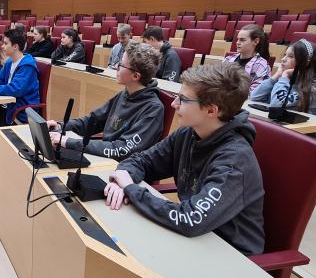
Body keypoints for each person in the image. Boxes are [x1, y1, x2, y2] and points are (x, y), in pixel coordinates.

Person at [103, 62, 265, 256]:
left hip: (232, 256)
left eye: (183, 99)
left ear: (211, 111)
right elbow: (142, 160)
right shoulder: (188, 133)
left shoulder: (235, 162)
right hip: (195, 239)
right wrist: (122, 177)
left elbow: (190, 219)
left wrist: (131, 189)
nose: (173, 104)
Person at [48, 42, 165, 160]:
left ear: (135, 76)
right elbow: (93, 121)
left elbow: (122, 149)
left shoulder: (153, 109)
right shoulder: (126, 93)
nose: (115, 66)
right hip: (105, 159)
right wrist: (60, 126)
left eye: (121, 65)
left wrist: (70, 142)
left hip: (121, 169)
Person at [0, 28, 40, 160]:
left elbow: (14, 89)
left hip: (20, 110)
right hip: (8, 105)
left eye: (5, 43)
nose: (2, 46)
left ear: (15, 47)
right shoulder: (10, 61)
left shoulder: (27, 65)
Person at [250, 39, 316, 133]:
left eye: (291, 56)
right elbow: (254, 96)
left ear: (306, 62)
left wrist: (284, 77)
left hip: (308, 136)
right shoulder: (289, 77)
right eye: (285, 55)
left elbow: (277, 105)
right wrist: (276, 76)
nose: (283, 59)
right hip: (284, 128)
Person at [223, 24, 270, 91]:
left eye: (242, 40)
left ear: (256, 41)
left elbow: (255, 93)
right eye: (237, 39)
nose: (237, 43)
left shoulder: (261, 65)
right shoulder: (228, 59)